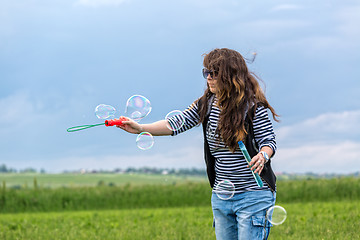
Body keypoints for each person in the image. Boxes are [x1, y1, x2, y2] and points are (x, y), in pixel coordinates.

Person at [117, 48, 279, 240]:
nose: (209, 77)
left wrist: (263, 155)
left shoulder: (253, 107)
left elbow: (268, 141)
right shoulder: (207, 104)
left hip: (253, 195)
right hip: (222, 195)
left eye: (214, 73)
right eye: (206, 72)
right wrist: (140, 128)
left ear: (231, 75)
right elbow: (176, 123)